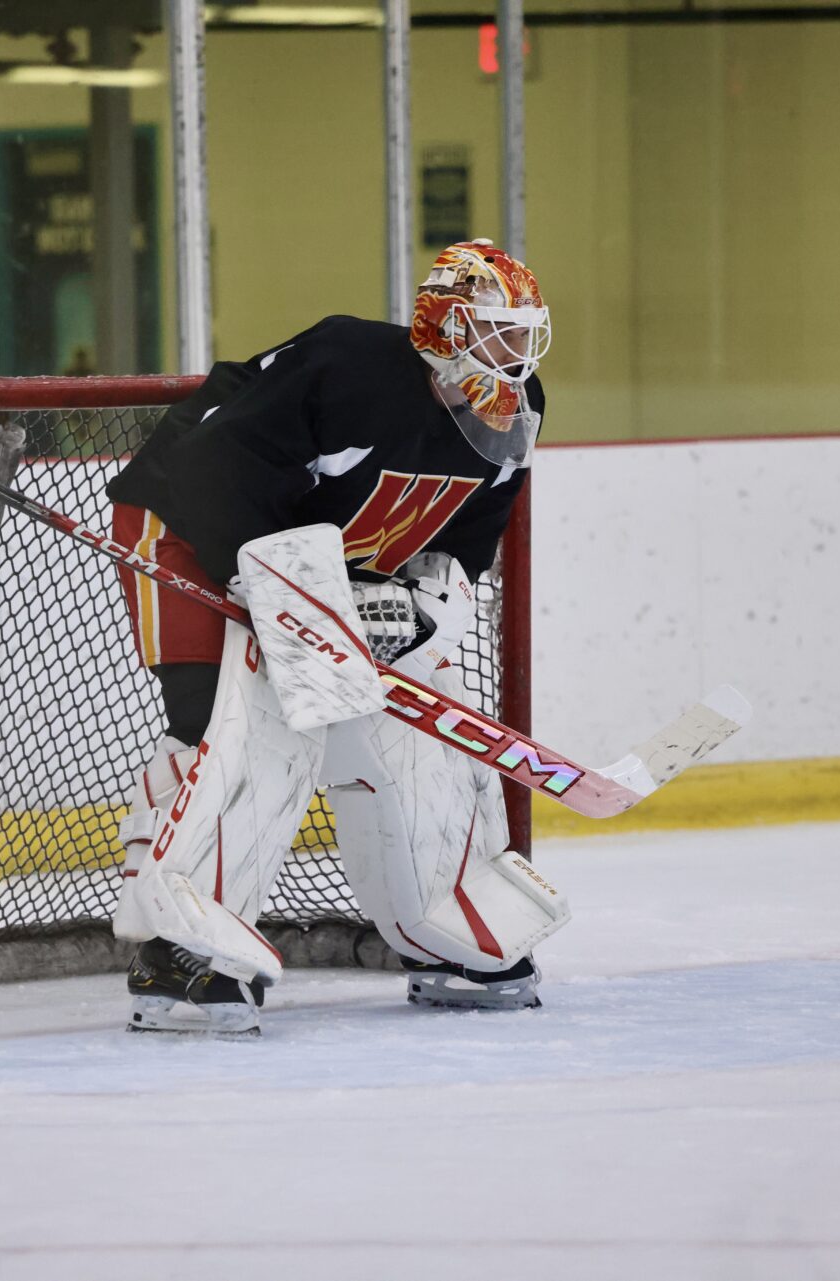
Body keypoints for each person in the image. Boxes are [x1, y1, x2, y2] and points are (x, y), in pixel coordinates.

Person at [102, 240, 569, 1035]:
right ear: (446, 325)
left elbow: (463, 541)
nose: (515, 354)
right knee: (236, 722)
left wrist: (415, 605)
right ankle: (179, 948)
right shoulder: (350, 366)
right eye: (497, 332)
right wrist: (291, 600)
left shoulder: (514, 410)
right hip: (187, 527)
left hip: (325, 565)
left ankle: (441, 923)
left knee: (414, 728)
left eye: (524, 335)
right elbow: (215, 470)